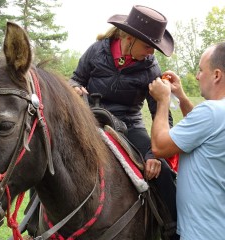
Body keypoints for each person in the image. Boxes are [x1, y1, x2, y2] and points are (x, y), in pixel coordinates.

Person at [69, 5, 179, 239]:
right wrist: (74, 88)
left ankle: (172, 230)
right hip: (90, 118)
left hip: (129, 124)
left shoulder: (151, 68)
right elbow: (76, 78)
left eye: (154, 47)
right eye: (148, 45)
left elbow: (162, 113)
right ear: (128, 38)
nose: (151, 52)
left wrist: (154, 155)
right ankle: (34, 219)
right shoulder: (97, 51)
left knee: (165, 172)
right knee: (54, 152)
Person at [149, 42, 225, 240]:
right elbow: (201, 132)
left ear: (217, 75)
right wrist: (181, 97)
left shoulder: (211, 112)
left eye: (201, 70)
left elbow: (159, 146)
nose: (198, 76)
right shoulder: (217, 114)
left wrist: (163, 100)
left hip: (203, 233)